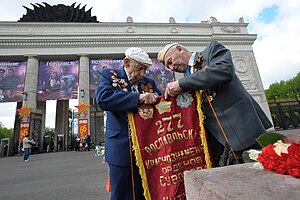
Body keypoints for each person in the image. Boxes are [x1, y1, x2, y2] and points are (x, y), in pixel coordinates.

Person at [157, 40, 272, 167]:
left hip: (243, 130)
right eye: (168, 67)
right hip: (219, 143)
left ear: (179, 49)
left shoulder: (211, 51)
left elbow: (224, 70)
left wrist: (181, 83)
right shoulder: (187, 76)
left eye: (170, 61)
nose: (172, 67)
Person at [96, 47, 161, 200]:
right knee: (122, 193)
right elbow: (104, 99)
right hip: (120, 147)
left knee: (144, 192)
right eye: (139, 69)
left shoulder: (149, 83)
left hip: (147, 148)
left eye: (145, 70)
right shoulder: (110, 75)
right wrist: (138, 98)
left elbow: (160, 104)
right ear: (126, 62)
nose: (142, 75)